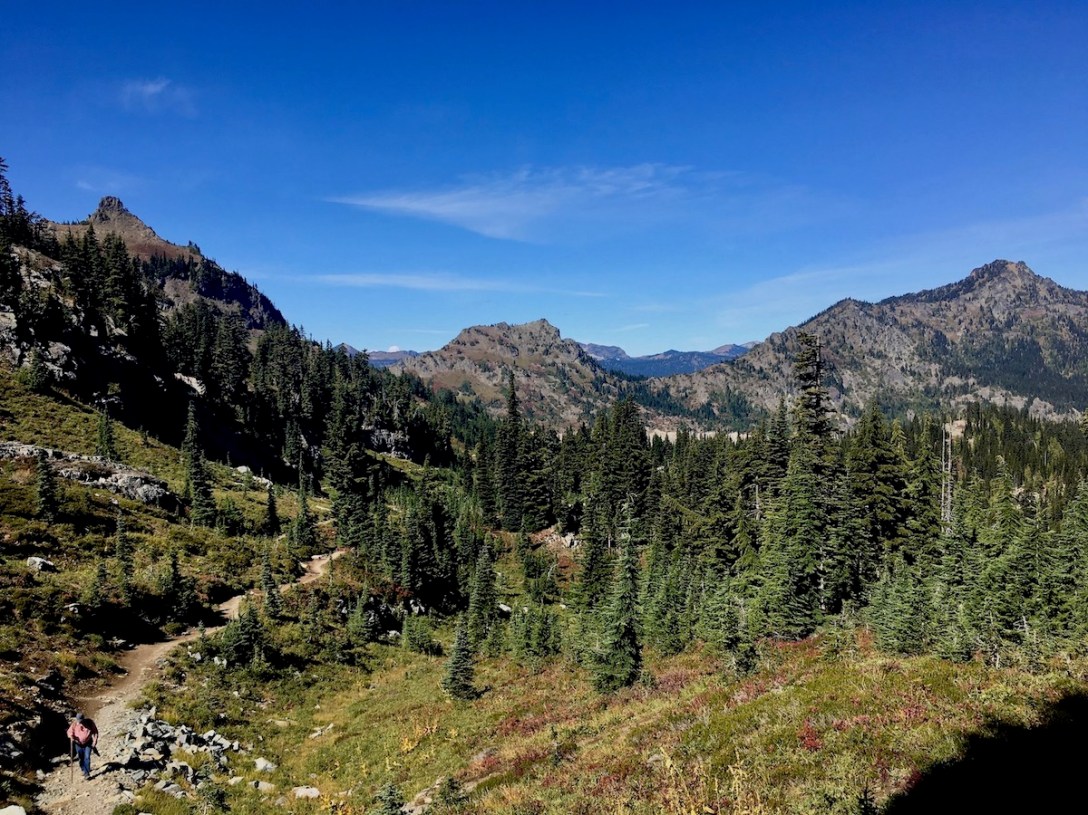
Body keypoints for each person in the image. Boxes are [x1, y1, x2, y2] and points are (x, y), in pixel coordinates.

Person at [66, 712, 99, 780]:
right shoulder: (74, 724)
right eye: (78, 720)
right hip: (78, 744)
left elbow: (95, 732)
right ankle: (83, 769)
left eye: (80, 721)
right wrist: (71, 737)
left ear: (83, 719)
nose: (79, 722)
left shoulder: (89, 722)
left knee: (87, 757)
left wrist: (95, 741)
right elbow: (69, 732)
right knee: (81, 758)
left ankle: (87, 773)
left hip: (88, 743)